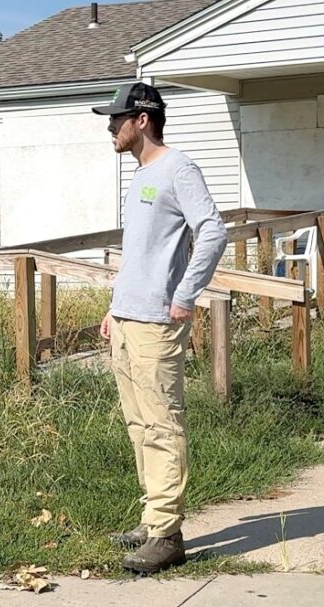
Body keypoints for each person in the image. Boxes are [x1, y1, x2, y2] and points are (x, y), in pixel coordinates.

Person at [92, 83, 227, 574]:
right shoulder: (141, 175)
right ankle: (152, 520)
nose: (110, 127)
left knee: (162, 423)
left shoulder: (178, 168)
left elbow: (212, 229)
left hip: (156, 321)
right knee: (138, 425)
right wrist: (114, 305)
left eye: (116, 119)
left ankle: (168, 535)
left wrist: (185, 295)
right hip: (128, 317)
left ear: (142, 120)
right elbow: (140, 252)